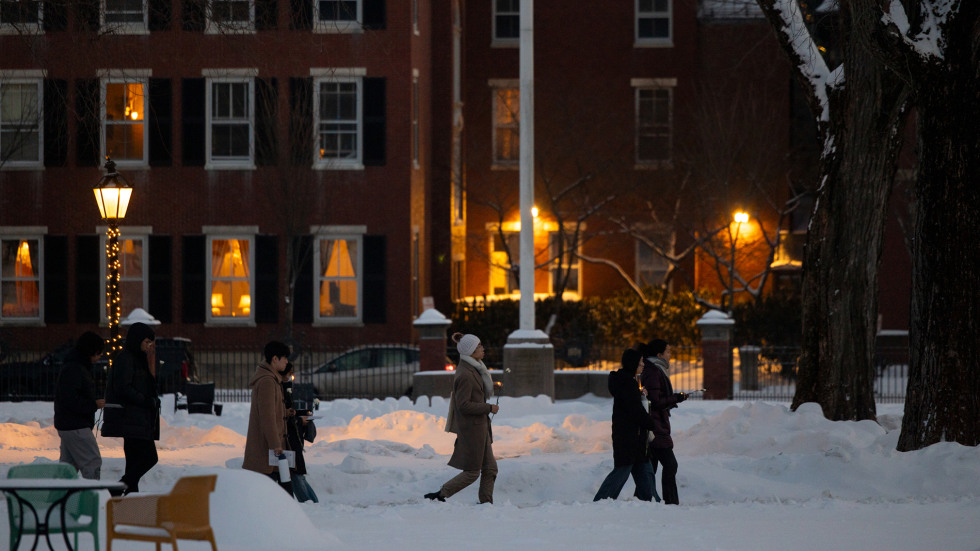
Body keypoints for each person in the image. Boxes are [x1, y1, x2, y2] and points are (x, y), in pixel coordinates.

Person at [425, 332, 499, 504]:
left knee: (490, 469)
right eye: (479, 346)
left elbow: (473, 392)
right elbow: (463, 405)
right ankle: (441, 495)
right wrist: (488, 407)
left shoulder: (474, 368)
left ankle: (486, 504)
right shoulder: (465, 374)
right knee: (472, 472)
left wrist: (489, 386)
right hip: (472, 429)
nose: (483, 348)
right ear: (471, 351)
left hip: (480, 427)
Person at [593, 348, 661, 502]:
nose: (643, 365)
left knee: (645, 470)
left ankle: (651, 502)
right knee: (622, 471)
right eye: (641, 362)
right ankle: (601, 502)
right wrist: (651, 423)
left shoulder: (628, 382)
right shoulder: (627, 384)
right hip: (628, 437)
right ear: (633, 363)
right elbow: (635, 411)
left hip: (635, 438)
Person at [101, 322, 160, 495]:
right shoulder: (126, 358)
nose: (148, 346)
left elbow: (148, 383)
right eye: (146, 342)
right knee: (149, 458)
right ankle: (120, 487)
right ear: (138, 339)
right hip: (131, 418)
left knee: (134, 462)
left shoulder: (138, 358)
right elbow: (123, 388)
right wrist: (145, 400)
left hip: (138, 419)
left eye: (150, 342)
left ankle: (128, 497)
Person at [639, 338, 687, 505]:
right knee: (670, 464)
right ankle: (670, 502)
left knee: (651, 466)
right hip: (656, 425)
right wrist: (676, 398)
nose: (670, 355)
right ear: (659, 355)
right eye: (668, 351)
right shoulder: (653, 371)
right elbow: (655, 401)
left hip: (656, 424)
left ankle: (644, 500)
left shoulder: (655, 369)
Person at [54, 331, 106, 480]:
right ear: (91, 351)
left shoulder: (73, 366)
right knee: (92, 462)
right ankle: (92, 496)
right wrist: (93, 404)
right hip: (76, 425)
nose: (100, 355)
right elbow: (70, 399)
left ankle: (60, 499)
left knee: (67, 468)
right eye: (99, 352)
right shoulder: (75, 369)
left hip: (68, 424)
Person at [243, 340, 292, 496]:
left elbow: (275, 410)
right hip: (266, 452)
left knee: (274, 493)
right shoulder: (267, 382)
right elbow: (267, 416)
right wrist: (275, 445)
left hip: (270, 452)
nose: (287, 362)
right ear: (275, 359)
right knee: (268, 494)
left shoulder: (272, 379)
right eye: (285, 358)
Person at [281, 361, 319, 503]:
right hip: (287, 438)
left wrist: (301, 416)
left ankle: (312, 503)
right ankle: (311, 502)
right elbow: (281, 415)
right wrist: (298, 420)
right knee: (295, 473)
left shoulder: (286, 389)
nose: (292, 376)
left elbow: (289, 411)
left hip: (293, 438)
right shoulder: (278, 389)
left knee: (297, 473)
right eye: (290, 373)